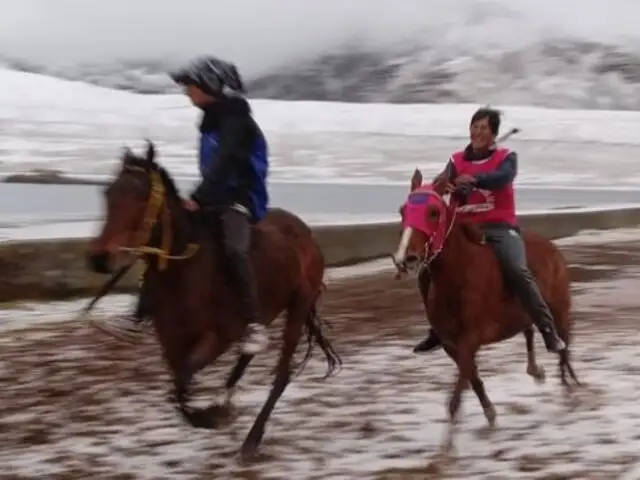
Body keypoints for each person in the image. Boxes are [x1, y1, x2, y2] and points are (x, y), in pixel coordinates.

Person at [105, 56, 270, 355]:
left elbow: (227, 162)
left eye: (191, 86)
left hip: (240, 198)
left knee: (234, 248)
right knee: (167, 239)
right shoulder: (213, 121)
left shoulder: (236, 122)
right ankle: (139, 314)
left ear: (212, 86)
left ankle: (254, 324)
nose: (186, 92)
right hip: (213, 196)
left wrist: (199, 198)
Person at [413, 107, 566, 355]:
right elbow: (441, 183)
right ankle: (437, 329)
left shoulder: (507, 157)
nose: (477, 131)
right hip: (461, 227)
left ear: (493, 134)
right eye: (474, 126)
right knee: (426, 272)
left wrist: (474, 180)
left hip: (499, 226)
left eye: (483, 127)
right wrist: (432, 189)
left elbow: (502, 178)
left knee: (518, 270)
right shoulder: (457, 161)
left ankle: (547, 329)